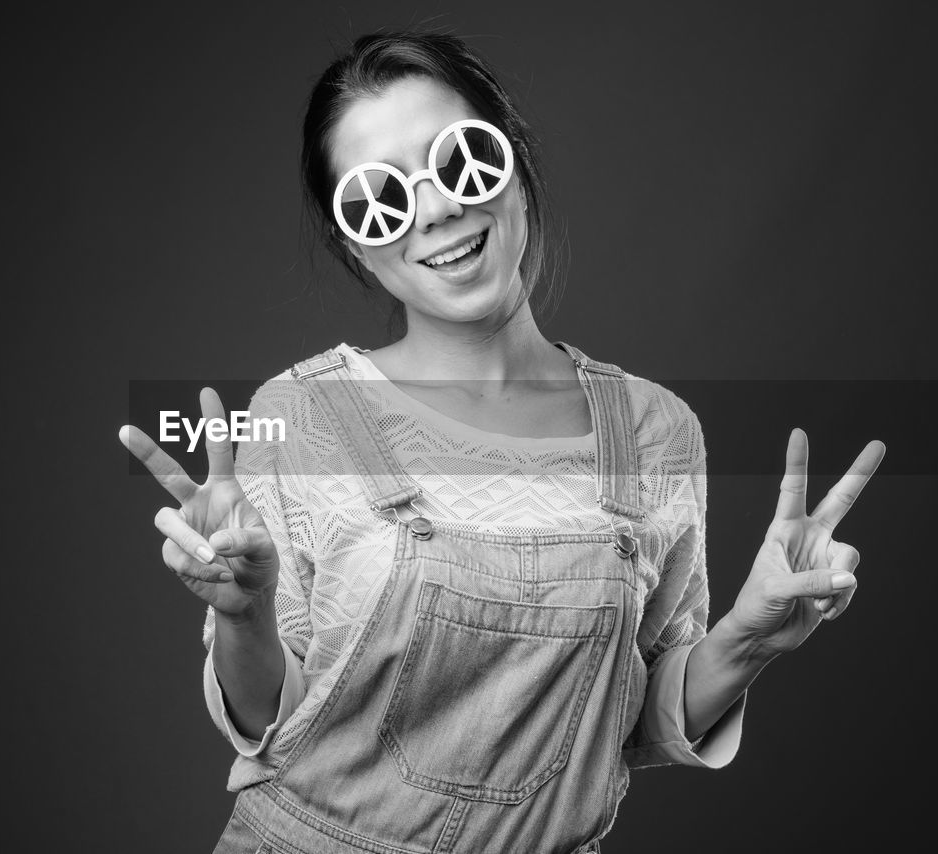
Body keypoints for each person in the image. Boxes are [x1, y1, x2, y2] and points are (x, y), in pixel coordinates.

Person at [118, 31, 885, 854]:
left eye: (459, 163)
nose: (439, 210)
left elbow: (630, 723)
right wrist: (242, 616)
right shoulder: (301, 417)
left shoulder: (656, 433)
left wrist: (749, 638)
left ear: (512, 161)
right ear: (359, 248)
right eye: (383, 197)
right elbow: (270, 720)